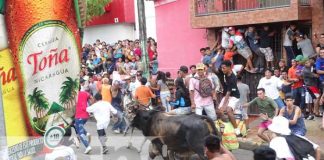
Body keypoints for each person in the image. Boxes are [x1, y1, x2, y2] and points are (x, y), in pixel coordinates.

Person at [218, 60, 241, 135]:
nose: (222, 69)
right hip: (227, 95)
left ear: (229, 68)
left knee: (228, 110)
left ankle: (236, 129)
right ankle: (226, 125)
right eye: (222, 68)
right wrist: (212, 64)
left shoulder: (233, 78)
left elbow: (228, 93)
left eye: (224, 68)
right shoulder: (223, 72)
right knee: (219, 111)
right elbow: (215, 70)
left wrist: (224, 105)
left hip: (234, 96)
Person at [75, 83, 92, 154]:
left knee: (80, 132)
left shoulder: (73, 96)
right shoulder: (85, 93)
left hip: (79, 115)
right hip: (86, 115)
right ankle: (87, 133)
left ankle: (88, 146)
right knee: (76, 126)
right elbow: (91, 98)